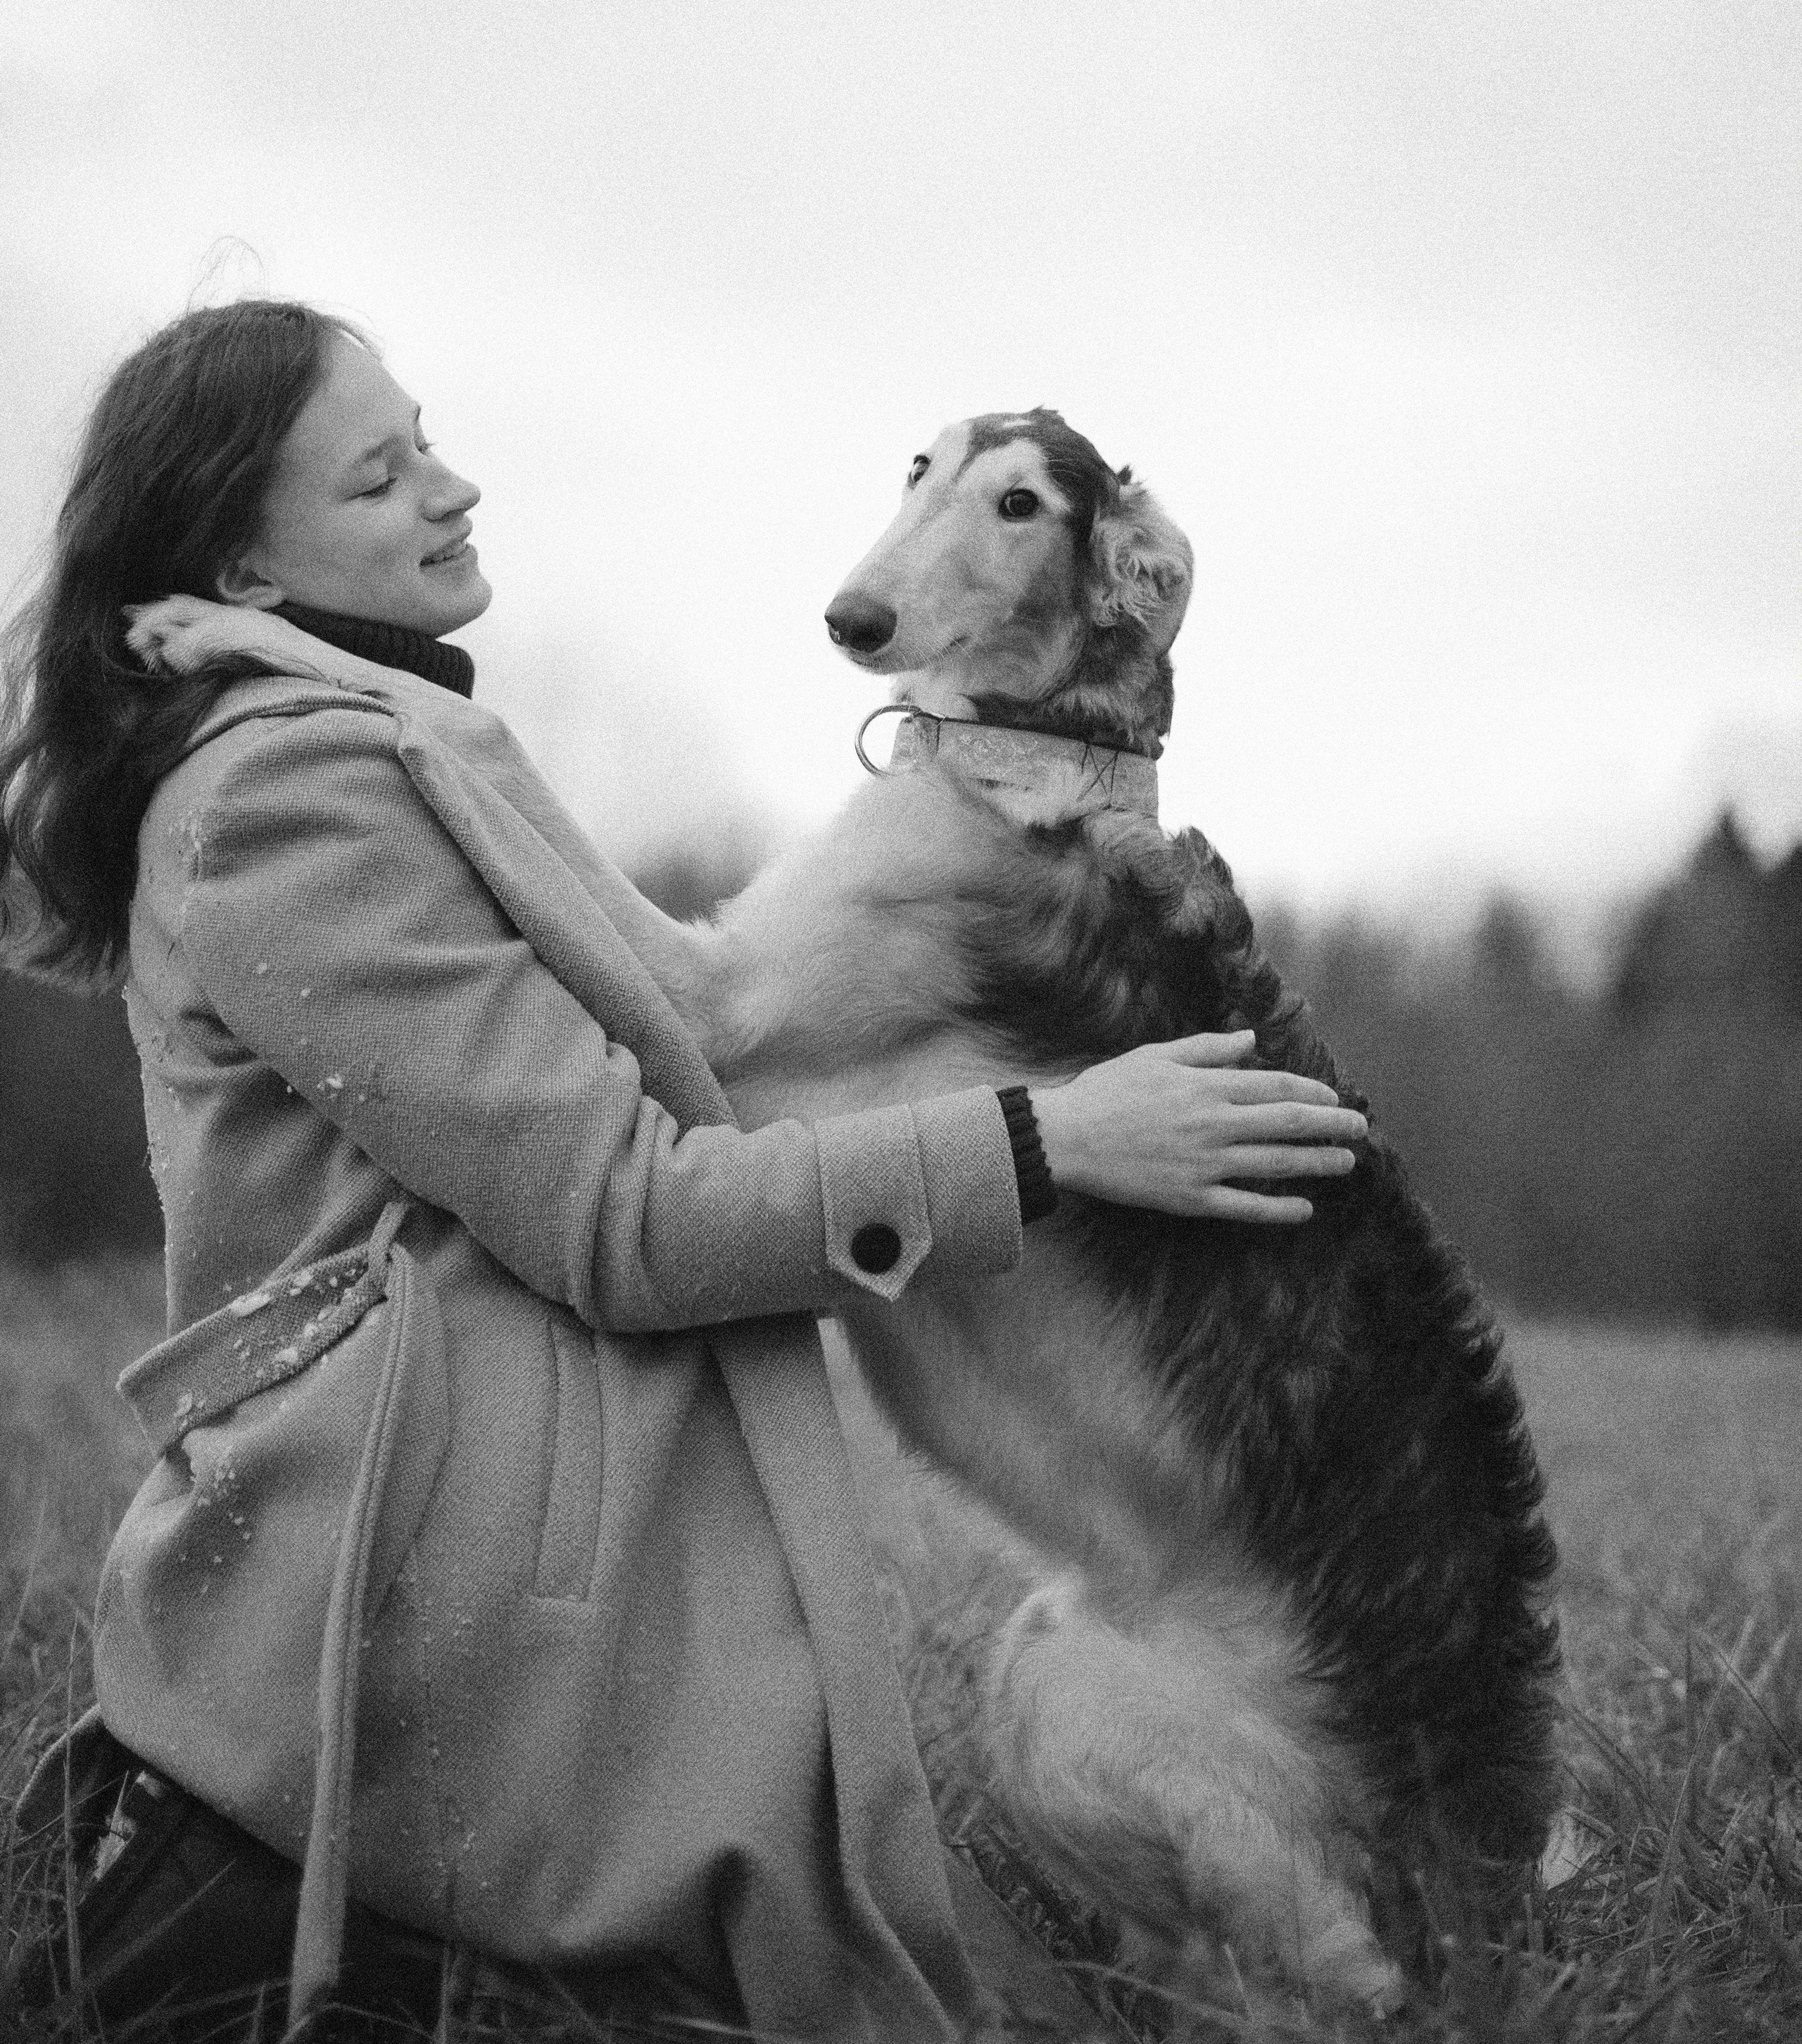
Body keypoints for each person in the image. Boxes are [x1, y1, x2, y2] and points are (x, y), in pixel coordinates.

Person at [0, 299, 1364, 2039]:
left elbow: (662, 1033)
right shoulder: (290, 797)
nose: (450, 485)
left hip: (528, 1506)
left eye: (427, 439)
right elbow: (631, 1210)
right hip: (442, 1573)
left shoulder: (357, 740)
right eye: (379, 475)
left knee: (1001, 1959)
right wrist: (1056, 1139)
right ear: (248, 577)